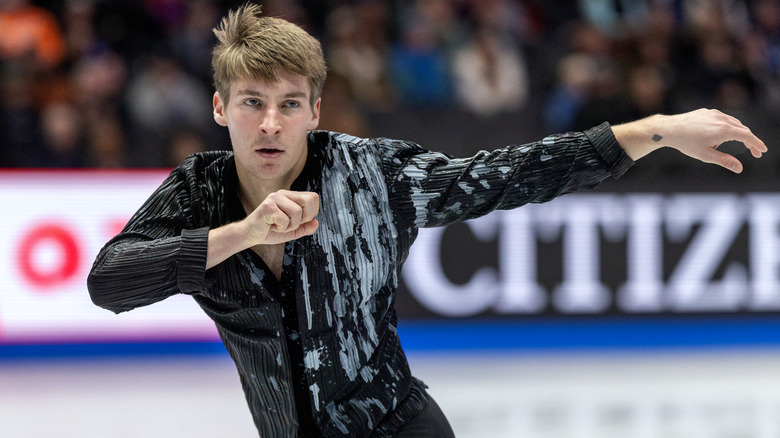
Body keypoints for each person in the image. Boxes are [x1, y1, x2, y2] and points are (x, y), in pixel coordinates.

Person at [86, 4, 767, 438]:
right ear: (218, 107)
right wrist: (243, 234)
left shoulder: (372, 175)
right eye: (251, 102)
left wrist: (653, 129)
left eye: (289, 104)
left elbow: (508, 174)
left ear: (315, 112)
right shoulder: (198, 191)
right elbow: (109, 282)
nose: (270, 123)